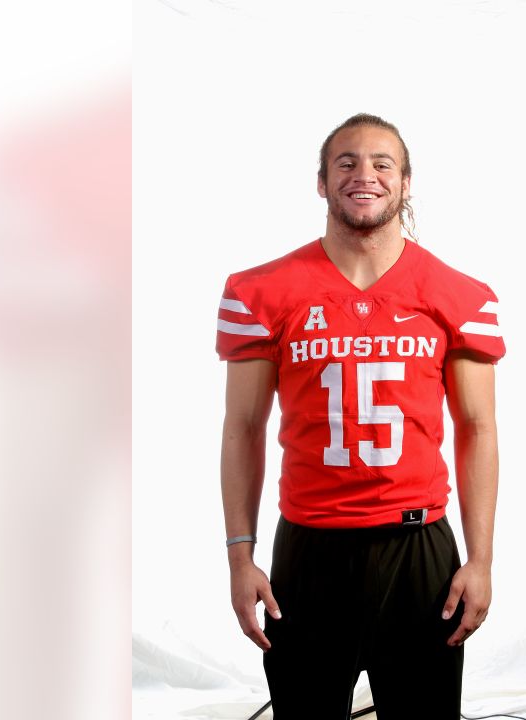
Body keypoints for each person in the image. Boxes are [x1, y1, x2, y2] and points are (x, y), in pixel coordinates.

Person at [215, 113, 505, 719]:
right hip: (309, 547)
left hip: (419, 548)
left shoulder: (459, 295)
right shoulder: (260, 291)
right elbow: (243, 426)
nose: (364, 174)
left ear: (406, 182)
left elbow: (476, 428)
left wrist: (480, 560)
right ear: (321, 182)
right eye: (346, 162)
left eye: (382, 163)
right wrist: (240, 556)